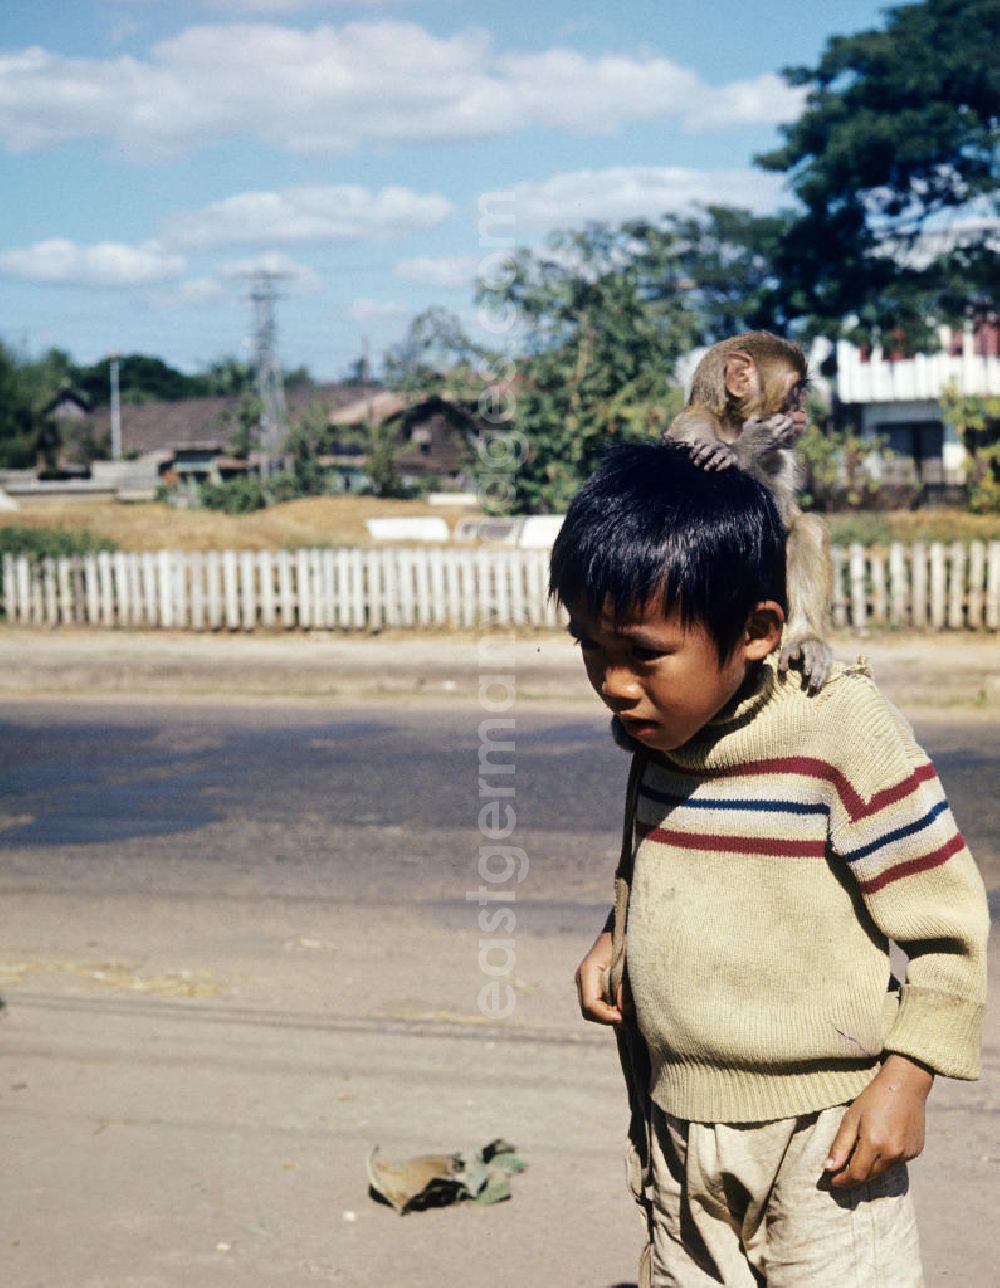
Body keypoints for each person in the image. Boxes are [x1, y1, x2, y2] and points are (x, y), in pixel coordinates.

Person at [548, 441, 989, 1287]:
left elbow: (949, 924)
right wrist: (617, 935)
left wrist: (908, 1077)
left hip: (826, 1138)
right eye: (590, 649)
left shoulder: (839, 728)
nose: (613, 684)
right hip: (676, 1124)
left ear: (758, 631)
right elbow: (660, 861)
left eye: (642, 654)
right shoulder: (662, 735)